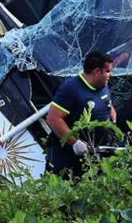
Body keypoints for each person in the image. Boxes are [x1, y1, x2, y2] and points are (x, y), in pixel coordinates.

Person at [46, 51, 117, 180]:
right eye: (107, 71)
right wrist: (75, 143)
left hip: (96, 153)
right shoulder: (71, 89)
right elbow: (53, 118)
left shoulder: (103, 85)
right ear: (96, 71)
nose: (110, 75)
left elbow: (107, 103)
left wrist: (113, 117)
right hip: (70, 157)